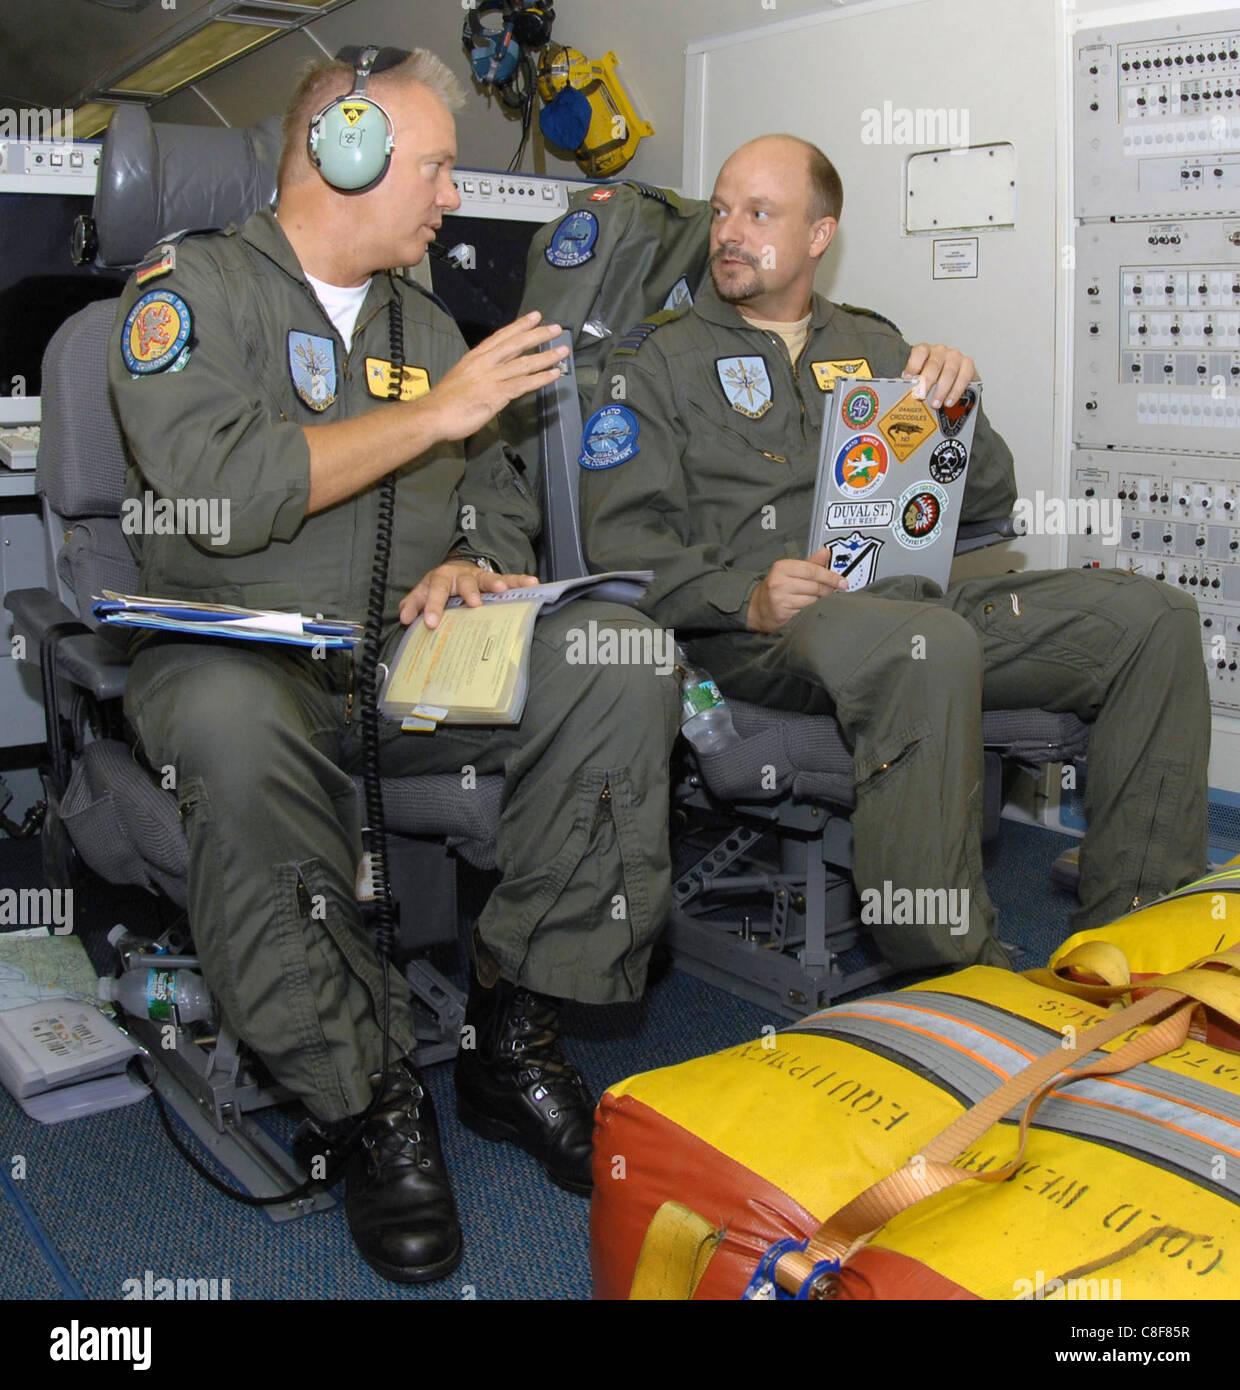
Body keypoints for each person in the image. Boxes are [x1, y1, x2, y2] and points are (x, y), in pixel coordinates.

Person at [107, 47, 679, 1284]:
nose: (448, 201)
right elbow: (218, 489)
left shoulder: (426, 322)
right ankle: (365, 1100)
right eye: (432, 169)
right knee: (232, 726)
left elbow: (490, 487)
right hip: (240, 659)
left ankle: (510, 1026)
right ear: (344, 150)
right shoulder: (186, 293)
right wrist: (435, 414)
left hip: (408, 656)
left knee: (619, 650)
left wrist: (472, 556)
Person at [581, 133, 1210, 973]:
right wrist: (744, 599)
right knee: (931, 647)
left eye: (759, 212)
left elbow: (986, 501)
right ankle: (952, 970)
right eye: (723, 209)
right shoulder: (656, 362)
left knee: (1152, 615)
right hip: (760, 631)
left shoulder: (875, 346)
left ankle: (1136, 927)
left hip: (907, 603)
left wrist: (960, 402)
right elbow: (621, 545)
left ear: (818, 235)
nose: (728, 231)